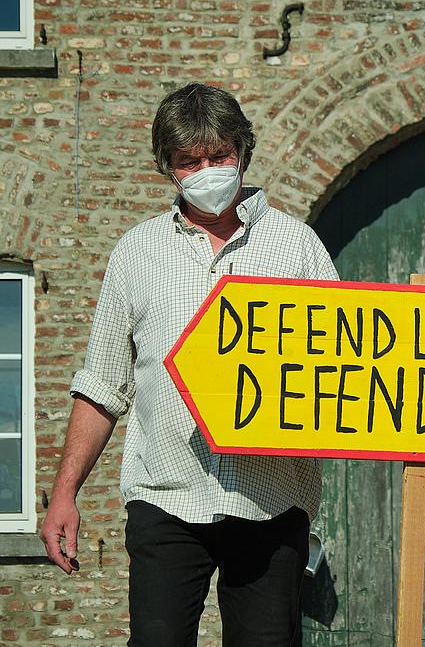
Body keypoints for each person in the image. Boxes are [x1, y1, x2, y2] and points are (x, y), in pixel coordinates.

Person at [39, 83, 339, 646]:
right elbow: (102, 383)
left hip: (269, 499)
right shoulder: (136, 251)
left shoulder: (298, 248)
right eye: (189, 161)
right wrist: (64, 492)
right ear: (168, 168)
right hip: (166, 495)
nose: (206, 171)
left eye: (218, 156)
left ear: (242, 152)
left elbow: (342, 368)